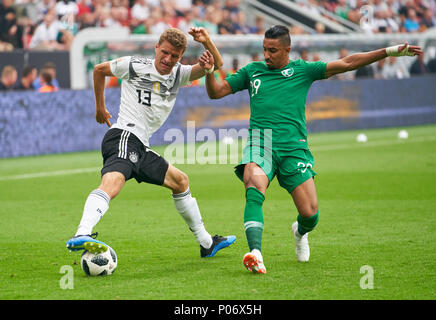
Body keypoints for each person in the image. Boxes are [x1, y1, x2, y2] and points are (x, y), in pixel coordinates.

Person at [201, 25, 422, 274]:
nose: (267, 55)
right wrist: (210, 72)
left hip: (294, 149)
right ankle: (256, 253)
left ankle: (300, 231)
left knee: (310, 214)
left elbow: (347, 63)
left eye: (272, 50)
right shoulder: (253, 71)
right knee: (253, 182)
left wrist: (389, 51)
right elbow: (216, 92)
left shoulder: (303, 70)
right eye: (264, 49)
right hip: (260, 142)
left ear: (287, 49)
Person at [66, 27, 236, 258]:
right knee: (113, 181)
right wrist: (99, 107)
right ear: (156, 48)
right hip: (124, 136)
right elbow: (99, 70)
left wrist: (207, 42)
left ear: (180, 57)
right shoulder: (135, 65)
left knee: (180, 181)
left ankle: (207, 243)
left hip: (140, 145)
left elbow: (216, 64)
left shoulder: (179, 74)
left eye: (174, 56)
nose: (167, 59)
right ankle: (82, 232)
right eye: (164, 52)